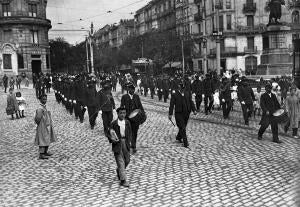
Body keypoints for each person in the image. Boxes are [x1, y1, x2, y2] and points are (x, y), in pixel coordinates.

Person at [108, 107, 132, 188]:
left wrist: (129, 142)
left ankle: (119, 170)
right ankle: (123, 180)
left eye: (124, 113)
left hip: (125, 143)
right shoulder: (114, 123)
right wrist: (112, 139)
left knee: (127, 160)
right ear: (118, 114)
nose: (122, 115)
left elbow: (130, 133)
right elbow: (109, 134)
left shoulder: (127, 122)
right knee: (120, 162)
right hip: (117, 144)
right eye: (121, 113)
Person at [168, 82, 197, 148]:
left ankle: (178, 137)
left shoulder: (187, 93)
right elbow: (171, 104)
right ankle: (185, 142)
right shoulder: (175, 94)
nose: (183, 90)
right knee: (182, 127)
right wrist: (170, 114)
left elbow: (190, 101)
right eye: (182, 88)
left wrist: (194, 110)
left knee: (183, 126)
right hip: (179, 113)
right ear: (179, 87)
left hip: (186, 113)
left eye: (184, 88)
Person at [120, 82, 144, 153]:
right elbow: (121, 107)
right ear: (128, 89)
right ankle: (128, 145)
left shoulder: (136, 97)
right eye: (131, 89)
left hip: (136, 118)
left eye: (133, 89)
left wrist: (143, 113)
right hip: (127, 118)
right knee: (128, 133)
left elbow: (140, 106)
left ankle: (134, 146)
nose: (132, 91)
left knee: (135, 132)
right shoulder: (124, 97)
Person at [34, 94, 57, 159]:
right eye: (43, 99)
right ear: (40, 100)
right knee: (42, 139)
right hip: (42, 126)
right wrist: (39, 125)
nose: (45, 100)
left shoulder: (44, 107)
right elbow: (37, 118)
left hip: (47, 126)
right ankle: (41, 154)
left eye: (46, 99)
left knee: (47, 138)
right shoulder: (40, 108)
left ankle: (45, 151)